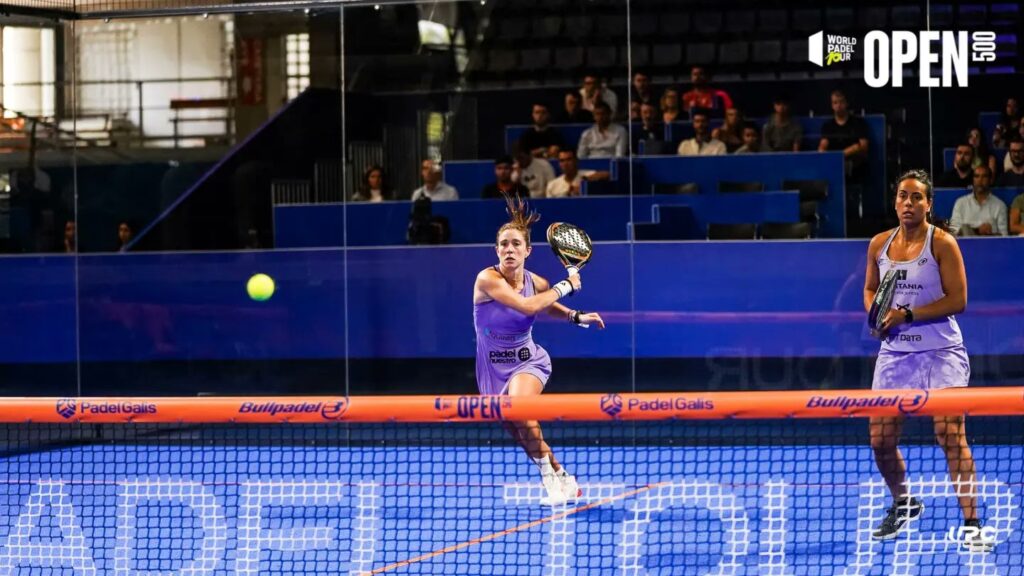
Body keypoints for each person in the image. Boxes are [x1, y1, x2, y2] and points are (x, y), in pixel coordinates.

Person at [863, 169, 989, 552]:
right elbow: (870, 289)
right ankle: (904, 502)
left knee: (950, 434)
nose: (908, 203)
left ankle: (972, 523)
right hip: (895, 353)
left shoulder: (943, 243)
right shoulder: (879, 244)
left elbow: (958, 300)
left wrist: (908, 315)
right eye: (903, 196)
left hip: (941, 352)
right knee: (880, 441)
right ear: (895, 202)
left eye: (916, 197)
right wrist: (876, 315)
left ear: (928, 204)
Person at [473, 193, 605, 505]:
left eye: (516, 244)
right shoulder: (487, 279)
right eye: (503, 244)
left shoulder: (539, 283)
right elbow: (527, 306)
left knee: (521, 410)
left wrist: (575, 316)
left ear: (527, 250)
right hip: (492, 368)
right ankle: (564, 478)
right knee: (520, 432)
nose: (509, 249)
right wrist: (567, 285)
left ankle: (550, 484)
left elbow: (545, 305)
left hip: (528, 361)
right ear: (496, 250)